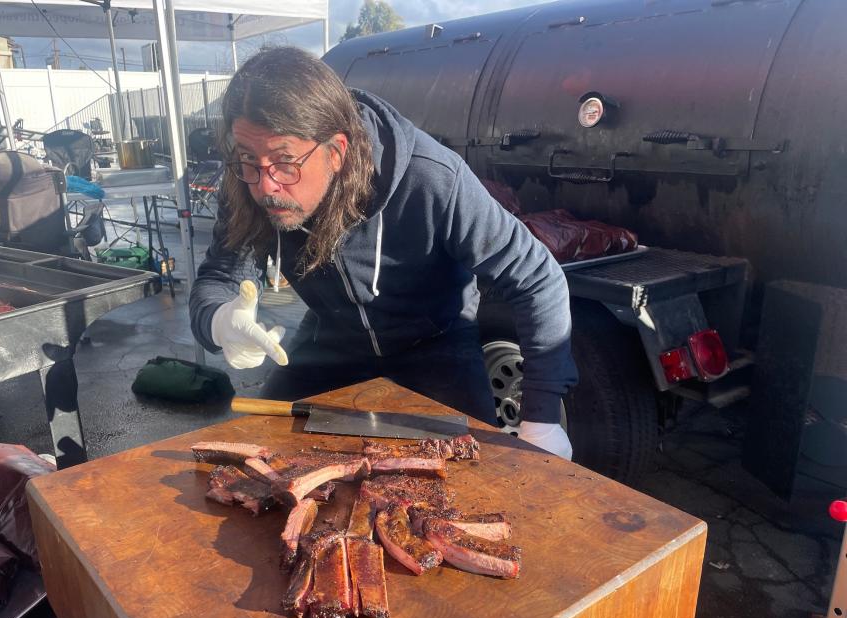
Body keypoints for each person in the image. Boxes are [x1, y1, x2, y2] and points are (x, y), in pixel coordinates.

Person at [189, 47, 577, 459]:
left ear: (336, 151)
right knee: (258, 460)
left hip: (436, 342)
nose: (266, 187)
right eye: (249, 159)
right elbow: (217, 276)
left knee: (470, 471)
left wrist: (543, 416)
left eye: (285, 161)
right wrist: (218, 321)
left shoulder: (430, 178)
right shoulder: (249, 184)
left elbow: (536, 276)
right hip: (331, 338)